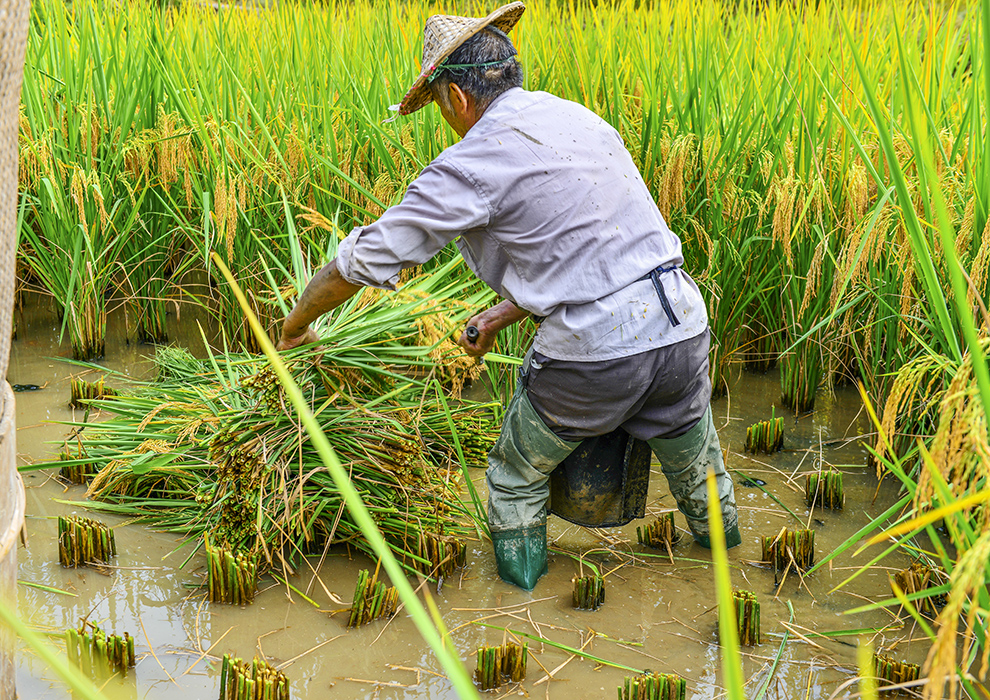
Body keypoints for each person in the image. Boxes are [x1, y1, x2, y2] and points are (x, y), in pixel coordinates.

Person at [276, 2, 740, 592]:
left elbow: (363, 260)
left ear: (456, 97)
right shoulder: (579, 120)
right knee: (700, 469)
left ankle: (519, 612)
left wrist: (294, 326)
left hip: (596, 353)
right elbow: (592, 247)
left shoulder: (471, 163)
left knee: (517, 475)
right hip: (681, 328)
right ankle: (733, 573)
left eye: (440, 105)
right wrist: (500, 314)